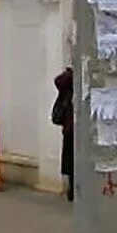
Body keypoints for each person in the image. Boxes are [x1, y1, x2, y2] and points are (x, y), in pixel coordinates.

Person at [52, 66, 75, 202]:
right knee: (72, 162)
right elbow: (58, 81)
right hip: (71, 129)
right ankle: (72, 190)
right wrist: (72, 73)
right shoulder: (68, 84)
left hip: (79, 130)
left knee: (76, 161)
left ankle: (75, 189)